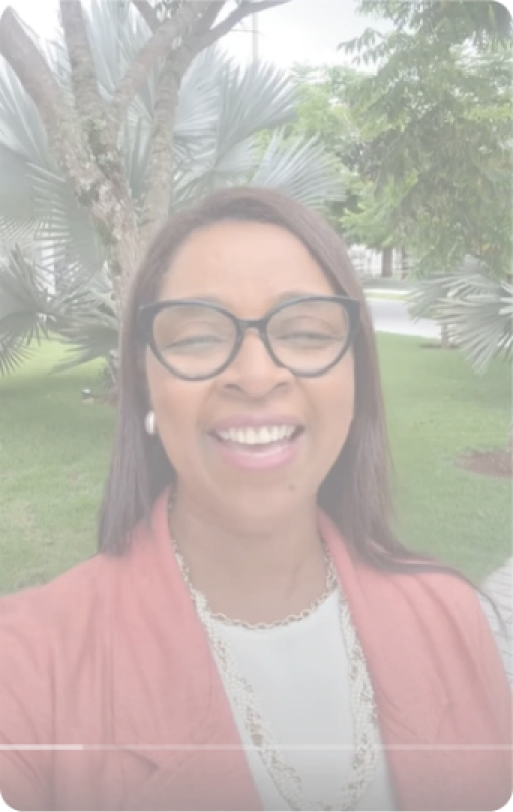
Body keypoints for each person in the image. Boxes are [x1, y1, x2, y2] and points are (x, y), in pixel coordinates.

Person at [0, 188, 511, 812]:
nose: (257, 375)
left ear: (356, 375)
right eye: (198, 338)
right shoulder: (27, 670)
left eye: (305, 332)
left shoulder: (452, 618)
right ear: (146, 382)